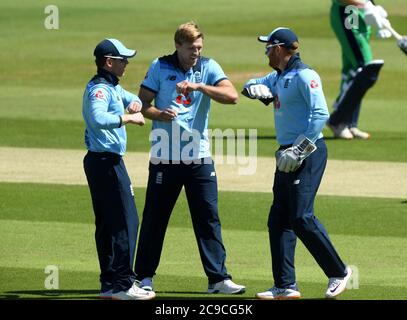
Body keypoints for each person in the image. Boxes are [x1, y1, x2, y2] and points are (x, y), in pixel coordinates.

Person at [131, 21, 245, 295]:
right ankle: (143, 278)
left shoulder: (208, 67)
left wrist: (200, 87)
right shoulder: (160, 66)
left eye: (199, 48)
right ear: (178, 46)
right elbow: (142, 104)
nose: (196, 52)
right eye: (191, 48)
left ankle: (218, 279)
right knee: (155, 218)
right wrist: (159, 114)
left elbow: (232, 96)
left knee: (208, 217)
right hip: (165, 156)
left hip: (199, 157)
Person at [242, 27, 352, 299]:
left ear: (279, 49)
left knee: (301, 216)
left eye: (268, 47)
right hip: (285, 153)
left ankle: (339, 272)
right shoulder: (278, 76)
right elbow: (254, 85)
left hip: (309, 151)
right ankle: (285, 285)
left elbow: (320, 115)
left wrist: (299, 151)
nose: (266, 51)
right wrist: (252, 89)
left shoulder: (305, 75)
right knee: (279, 218)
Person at [82, 38, 155, 300]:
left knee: (110, 223)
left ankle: (110, 284)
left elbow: (130, 97)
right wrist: (129, 117)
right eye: (123, 60)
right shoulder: (99, 90)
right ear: (109, 62)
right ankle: (123, 284)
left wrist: (134, 102)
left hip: (103, 162)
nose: (127, 64)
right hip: (106, 163)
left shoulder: (112, 86)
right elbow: (98, 118)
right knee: (126, 221)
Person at [327, 0, 390, 139]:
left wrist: (373, 6)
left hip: (357, 14)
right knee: (364, 70)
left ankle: (349, 123)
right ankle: (338, 120)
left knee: (352, 69)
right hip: (348, 12)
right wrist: (366, 4)